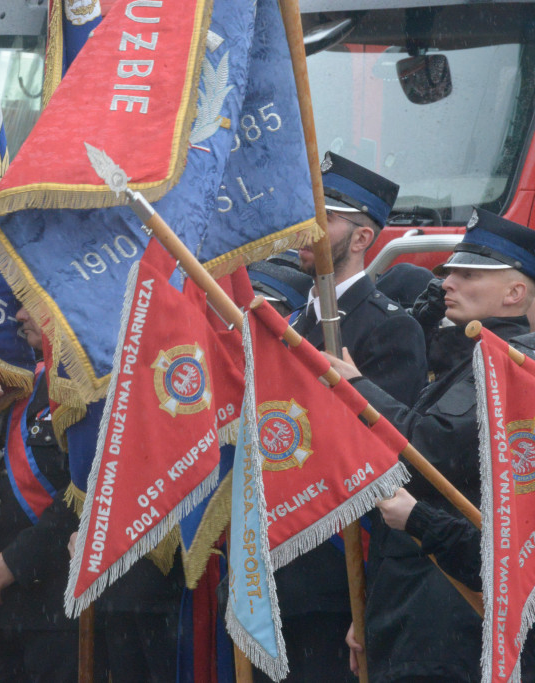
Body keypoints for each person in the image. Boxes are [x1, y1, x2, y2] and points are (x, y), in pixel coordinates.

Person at [328, 207, 535, 682]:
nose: (447, 283)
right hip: (417, 603)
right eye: (449, 272)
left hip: (446, 608)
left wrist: (356, 387)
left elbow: (428, 451)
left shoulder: (505, 369)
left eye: (467, 274)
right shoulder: (470, 358)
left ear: (515, 293)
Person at [269, 152, 428, 682]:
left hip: (333, 574)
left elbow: (391, 452)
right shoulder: (291, 322)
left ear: (361, 238)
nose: (307, 230)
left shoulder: (389, 328)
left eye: (327, 218)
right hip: (273, 565)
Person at [0, 306, 79, 681]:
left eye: (31, 301)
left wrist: (15, 562)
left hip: (57, 606)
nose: (19, 315)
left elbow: (82, 495)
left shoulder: (82, 384)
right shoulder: (20, 382)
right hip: (0, 605)